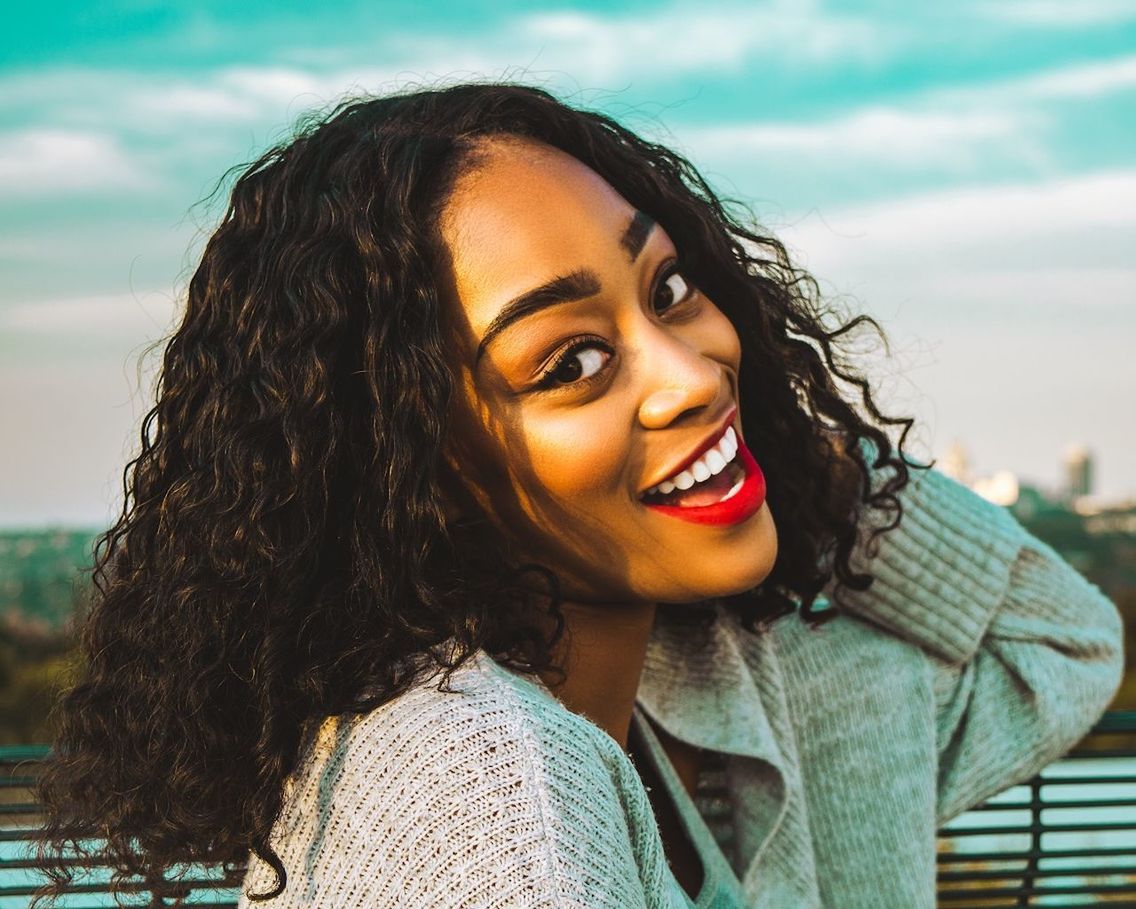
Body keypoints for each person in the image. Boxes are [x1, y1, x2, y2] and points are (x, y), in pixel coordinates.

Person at [36, 84, 1123, 909]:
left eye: (668, 288)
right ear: (411, 476)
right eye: (567, 363)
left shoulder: (753, 691)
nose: (693, 372)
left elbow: (1060, 643)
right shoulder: (488, 798)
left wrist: (795, 455)